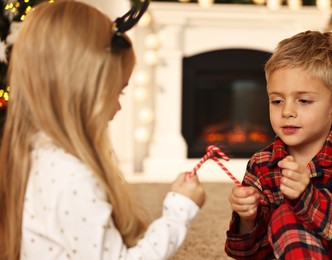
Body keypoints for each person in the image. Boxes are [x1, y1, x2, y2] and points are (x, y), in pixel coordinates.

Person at [0, 1, 206, 259]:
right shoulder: (72, 177)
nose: (119, 106)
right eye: (117, 90)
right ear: (82, 91)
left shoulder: (39, 152)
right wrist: (179, 210)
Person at [225, 30, 332, 259]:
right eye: (277, 101)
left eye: (304, 101)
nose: (287, 112)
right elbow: (244, 253)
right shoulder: (261, 165)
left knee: (286, 215)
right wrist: (247, 219)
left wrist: (307, 197)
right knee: (284, 218)